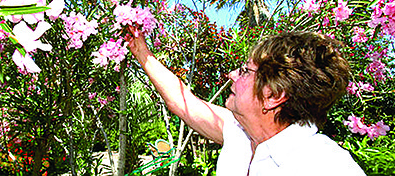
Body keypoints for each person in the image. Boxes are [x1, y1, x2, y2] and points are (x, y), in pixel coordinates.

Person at [127, 28, 366, 175]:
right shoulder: (240, 132)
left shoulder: (326, 166)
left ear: (273, 95)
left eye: (244, 71)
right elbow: (183, 102)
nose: (232, 74)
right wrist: (141, 51)